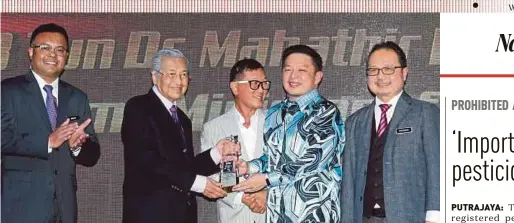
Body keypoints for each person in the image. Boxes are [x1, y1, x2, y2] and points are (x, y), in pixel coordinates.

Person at [121, 48, 239, 223]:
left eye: (184, 75)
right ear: (155, 76)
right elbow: (147, 160)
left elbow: (185, 167)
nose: (179, 81)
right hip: (150, 216)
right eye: (171, 74)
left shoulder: (183, 119)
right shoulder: (138, 107)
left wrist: (216, 153)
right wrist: (198, 183)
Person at [232, 45, 345, 223]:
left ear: (318, 77)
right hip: (278, 214)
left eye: (302, 70)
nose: (293, 76)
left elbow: (313, 160)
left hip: (313, 214)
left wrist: (267, 179)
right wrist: (249, 166)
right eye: (288, 69)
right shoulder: (273, 113)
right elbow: (272, 158)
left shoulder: (326, 112)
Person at [1, 23, 101, 223]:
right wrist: (47, 141)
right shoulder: (7, 91)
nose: (52, 55)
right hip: (21, 205)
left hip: (64, 207)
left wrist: (78, 146)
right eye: (45, 48)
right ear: (31, 52)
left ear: (67, 55)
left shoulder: (77, 97)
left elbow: (92, 156)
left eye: (60, 50)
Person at [341, 41, 440, 223]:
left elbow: (437, 168)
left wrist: (434, 216)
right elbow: (348, 183)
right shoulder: (355, 122)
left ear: (404, 73)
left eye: (388, 69)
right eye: (373, 70)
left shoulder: (425, 113)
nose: (380, 76)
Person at [200, 58, 269, 223]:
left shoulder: (277, 123)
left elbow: (287, 168)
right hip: (233, 217)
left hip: (271, 215)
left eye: (265, 84)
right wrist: (242, 197)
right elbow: (213, 176)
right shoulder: (213, 128)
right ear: (235, 87)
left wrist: (266, 194)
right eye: (254, 83)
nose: (261, 90)